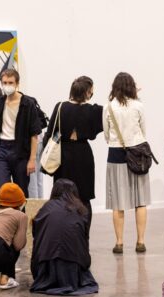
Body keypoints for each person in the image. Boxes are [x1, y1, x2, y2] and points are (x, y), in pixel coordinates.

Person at [43, 76, 103, 228]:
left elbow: (50, 133)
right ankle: (83, 235)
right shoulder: (93, 110)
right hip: (83, 155)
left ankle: (62, 230)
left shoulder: (60, 107)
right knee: (84, 197)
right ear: (87, 92)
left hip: (62, 156)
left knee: (61, 196)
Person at [103, 72, 150, 253]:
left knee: (118, 202)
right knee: (140, 201)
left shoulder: (108, 107)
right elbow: (143, 130)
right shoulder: (138, 105)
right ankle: (140, 241)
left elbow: (107, 134)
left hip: (116, 153)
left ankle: (119, 242)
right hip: (138, 152)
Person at [30, 179, 99, 295]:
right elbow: (84, 240)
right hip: (74, 265)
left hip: (47, 264)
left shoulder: (47, 208)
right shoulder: (81, 210)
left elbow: (35, 233)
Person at [0, 69, 42, 197]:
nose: (7, 85)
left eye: (10, 82)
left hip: (20, 151)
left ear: (17, 83)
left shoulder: (28, 103)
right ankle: (6, 216)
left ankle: (20, 217)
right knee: (2, 190)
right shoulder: (0, 102)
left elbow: (34, 134)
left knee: (21, 192)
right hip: (2, 149)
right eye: (4, 82)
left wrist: (32, 159)